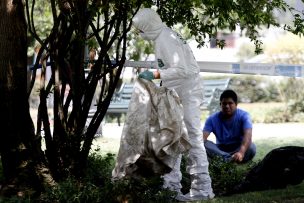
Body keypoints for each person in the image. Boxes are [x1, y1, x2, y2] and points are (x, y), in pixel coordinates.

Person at [132, 8, 214, 201]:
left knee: (193, 136)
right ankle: (171, 189)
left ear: (148, 25)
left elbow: (181, 69)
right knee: (172, 137)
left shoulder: (166, 38)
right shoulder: (163, 36)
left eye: (140, 30)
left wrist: (155, 75)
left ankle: (202, 189)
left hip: (187, 91)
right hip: (178, 91)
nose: (140, 34)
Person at [203, 89, 256, 163]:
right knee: (203, 143)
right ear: (220, 104)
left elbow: (248, 136)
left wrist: (241, 152)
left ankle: (226, 160)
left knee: (251, 147)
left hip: (238, 147)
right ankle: (229, 159)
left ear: (236, 104)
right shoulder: (211, 119)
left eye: (230, 103)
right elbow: (203, 137)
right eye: (224, 103)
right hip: (220, 149)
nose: (227, 106)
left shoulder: (244, 116)